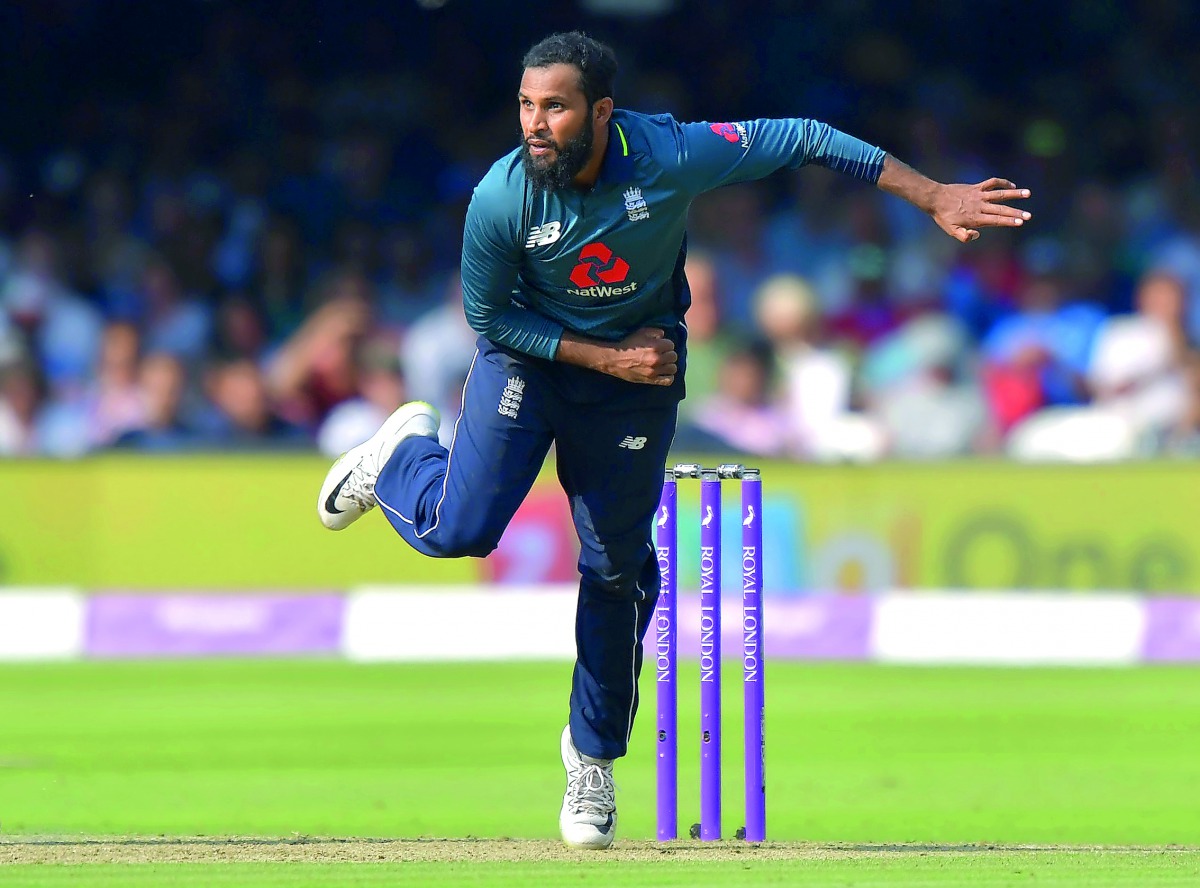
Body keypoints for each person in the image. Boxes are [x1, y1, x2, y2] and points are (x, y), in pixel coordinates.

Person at [316, 31, 1032, 849]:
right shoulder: (501, 197)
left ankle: (590, 759)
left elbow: (804, 136)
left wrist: (932, 193)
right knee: (460, 531)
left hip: (640, 373)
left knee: (616, 568)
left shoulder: (665, 154)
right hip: (533, 360)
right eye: (526, 105)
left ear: (601, 112)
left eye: (554, 106)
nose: (535, 124)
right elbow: (488, 318)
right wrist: (602, 356)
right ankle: (401, 455)